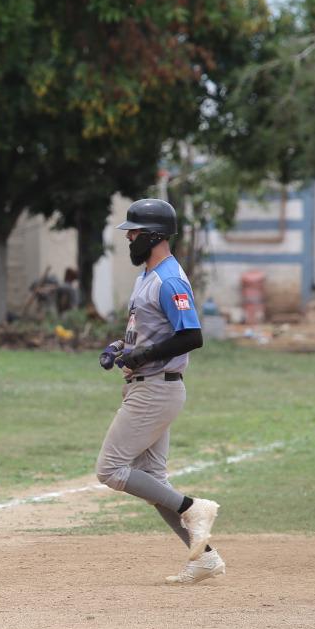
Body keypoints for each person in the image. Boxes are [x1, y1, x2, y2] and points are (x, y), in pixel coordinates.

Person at [94, 198, 224, 584]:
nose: (129, 237)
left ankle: (193, 507)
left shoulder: (169, 279)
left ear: (153, 236)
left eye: (134, 232)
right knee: (153, 480)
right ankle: (205, 558)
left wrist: (146, 354)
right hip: (147, 386)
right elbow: (153, 331)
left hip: (157, 390)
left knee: (111, 470)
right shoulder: (148, 276)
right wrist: (121, 346)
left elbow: (191, 336)